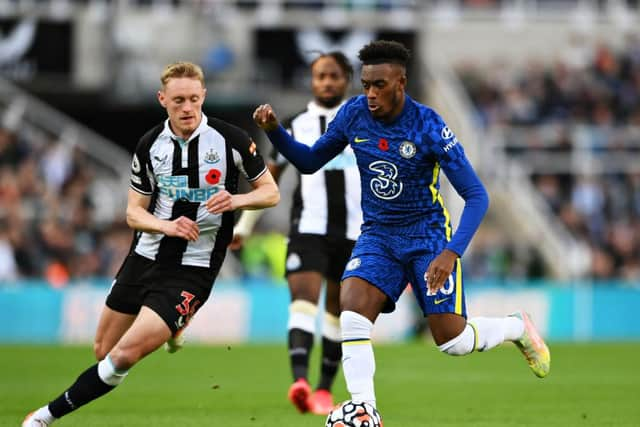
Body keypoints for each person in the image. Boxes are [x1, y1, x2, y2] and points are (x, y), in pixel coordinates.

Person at [253, 40, 550, 415]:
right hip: (377, 235)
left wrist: (450, 251)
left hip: (427, 238)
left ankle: (516, 328)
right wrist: (275, 131)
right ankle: (364, 409)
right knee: (352, 312)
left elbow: (477, 196)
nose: (371, 94)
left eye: (380, 85)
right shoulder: (353, 114)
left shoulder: (428, 125)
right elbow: (311, 161)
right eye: (366, 85)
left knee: (451, 342)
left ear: (401, 82)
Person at [22, 61, 280, 427]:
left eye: (193, 99)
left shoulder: (231, 140)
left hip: (195, 268)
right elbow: (133, 214)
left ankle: (44, 417)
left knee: (124, 355)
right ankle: (174, 326)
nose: (187, 108)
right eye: (178, 101)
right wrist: (167, 226)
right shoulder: (150, 145)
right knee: (103, 351)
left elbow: (271, 192)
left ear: (203, 96)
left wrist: (235, 201)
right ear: (163, 100)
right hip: (145, 256)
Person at [231, 51, 361, 415]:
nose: (327, 82)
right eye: (321, 76)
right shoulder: (294, 124)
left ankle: (323, 390)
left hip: (355, 234)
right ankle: (300, 382)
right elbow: (269, 181)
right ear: (312, 80)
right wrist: (244, 226)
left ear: (347, 79)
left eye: (334, 75)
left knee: (340, 312)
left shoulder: (365, 124)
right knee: (303, 301)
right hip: (308, 229)